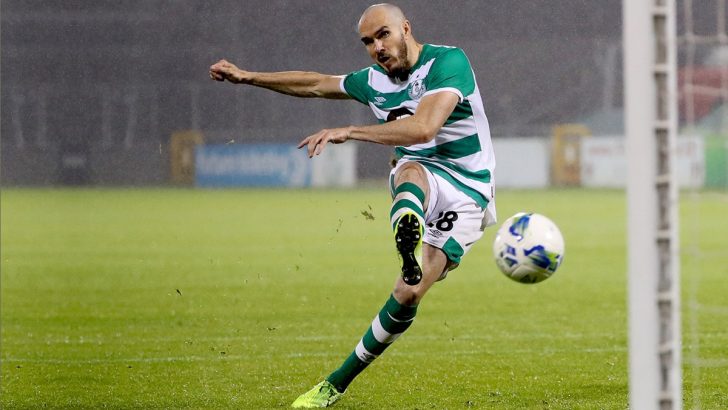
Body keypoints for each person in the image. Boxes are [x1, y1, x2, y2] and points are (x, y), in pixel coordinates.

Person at [210, 3, 496, 408]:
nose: (377, 47)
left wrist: (350, 130)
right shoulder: (373, 81)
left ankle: (408, 228)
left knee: (409, 292)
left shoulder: (447, 62)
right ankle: (333, 386)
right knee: (410, 168)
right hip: (421, 172)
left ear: (405, 29)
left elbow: (424, 127)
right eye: (367, 41)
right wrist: (248, 76)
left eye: (383, 34)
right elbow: (314, 84)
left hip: (470, 187)